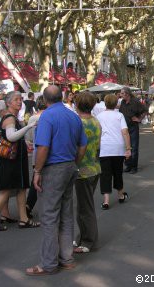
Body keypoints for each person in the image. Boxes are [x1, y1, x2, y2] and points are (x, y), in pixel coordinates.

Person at [26, 85, 87, 276]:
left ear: (44, 100)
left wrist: (37, 171)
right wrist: (74, 162)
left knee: (50, 216)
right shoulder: (73, 116)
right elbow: (83, 145)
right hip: (69, 165)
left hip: (53, 168)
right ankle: (66, 258)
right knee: (66, 213)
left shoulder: (47, 117)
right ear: (61, 97)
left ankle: (49, 263)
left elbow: (43, 147)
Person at [0, 92, 39, 232]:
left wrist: (25, 142)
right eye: (16, 100)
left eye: (20, 99)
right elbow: (11, 137)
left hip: (15, 160)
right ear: (8, 103)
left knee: (21, 188)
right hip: (11, 161)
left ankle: (23, 219)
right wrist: (29, 126)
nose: (19, 102)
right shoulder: (10, 118)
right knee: (6, 190)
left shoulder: (12, 117)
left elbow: (13, 137)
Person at [73, 92, 101, 254]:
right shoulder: (95, 121)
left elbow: (76, 146)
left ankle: (89, 240)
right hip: (94, 167)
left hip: (83, 169)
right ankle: (83, 236)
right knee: (84, 206)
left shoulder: (79, 123)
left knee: (85, 207)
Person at [96, 94, 131, 211]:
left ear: (105, 103)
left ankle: (106, 201)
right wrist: (128, 148)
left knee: (105, 174)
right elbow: (125, 132)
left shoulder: (99, 116)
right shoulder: (119, 115)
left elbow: (98, 133)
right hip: (118, 147)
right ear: (116, 103)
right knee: (118, 172)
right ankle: (121, 195)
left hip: (105, 148)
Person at [25, 96, 47, 218]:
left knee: (36, 179)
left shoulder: (32, 118)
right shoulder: (47, 117)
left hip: (36, 153)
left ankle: (29, 205)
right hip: (46, 153)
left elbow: (28, 137)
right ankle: (30, 205)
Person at [119, 87, 146, 174]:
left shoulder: (135, 102)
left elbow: (145, 110)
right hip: (124, 128)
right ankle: (128, 165)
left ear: (127, 94)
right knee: (126, 147)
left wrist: (139, 119)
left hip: (133, 128)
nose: (121, 95)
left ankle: (134, 167)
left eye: (122, 93)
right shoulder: (123, 102)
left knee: (134, 148)